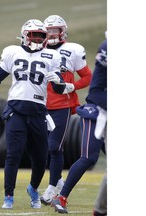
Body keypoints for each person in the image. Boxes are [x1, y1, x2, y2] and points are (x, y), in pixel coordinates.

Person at [0, 19, 68, 209]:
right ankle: (8, 196)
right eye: (34, 35)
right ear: (24, 35)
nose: (37, 38)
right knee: (14, 154)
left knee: (40, 158)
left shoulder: (51, 56)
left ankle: (33, 188)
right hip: (16, 111)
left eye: (41, 35)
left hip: (38, 112)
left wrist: (58, 81)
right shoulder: (12, 52)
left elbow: (60, 90)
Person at [40, 15, 92, 206]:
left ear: (62, 31)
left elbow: (88, 77)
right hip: (41, 105)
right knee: (43, 147)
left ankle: (53, 186)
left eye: (55, 30)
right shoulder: (38, 50)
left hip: (62, 105)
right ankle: (58, 180)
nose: (52, 34)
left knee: (55, 147)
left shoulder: (73, 50)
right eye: (49, 30)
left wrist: (73, 86)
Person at [51, 37, 107, 214]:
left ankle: (101, 209)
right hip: (96, 112)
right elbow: (95, 91)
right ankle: (61, 197)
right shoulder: (106, 50)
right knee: (89, 157)